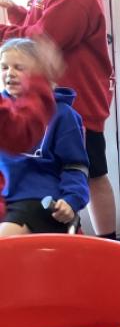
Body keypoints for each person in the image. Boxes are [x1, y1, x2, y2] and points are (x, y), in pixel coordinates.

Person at [0, 0, 119, 239]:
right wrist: (15, 11)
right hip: (55, 100)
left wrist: (4, 32)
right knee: (74, 169)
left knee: (91, 172)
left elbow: (43, 40)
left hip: (78, 102)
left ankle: (109, 245)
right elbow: (38, 20)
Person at [0, 38, 89, 236]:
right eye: (4, 67)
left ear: (39, 72)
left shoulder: (63, 114)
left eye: (19, 67)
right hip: (6, 200)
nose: (10, 73)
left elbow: (75, 166)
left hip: (39, 200)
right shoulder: (5, 110)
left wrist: (71, 200)